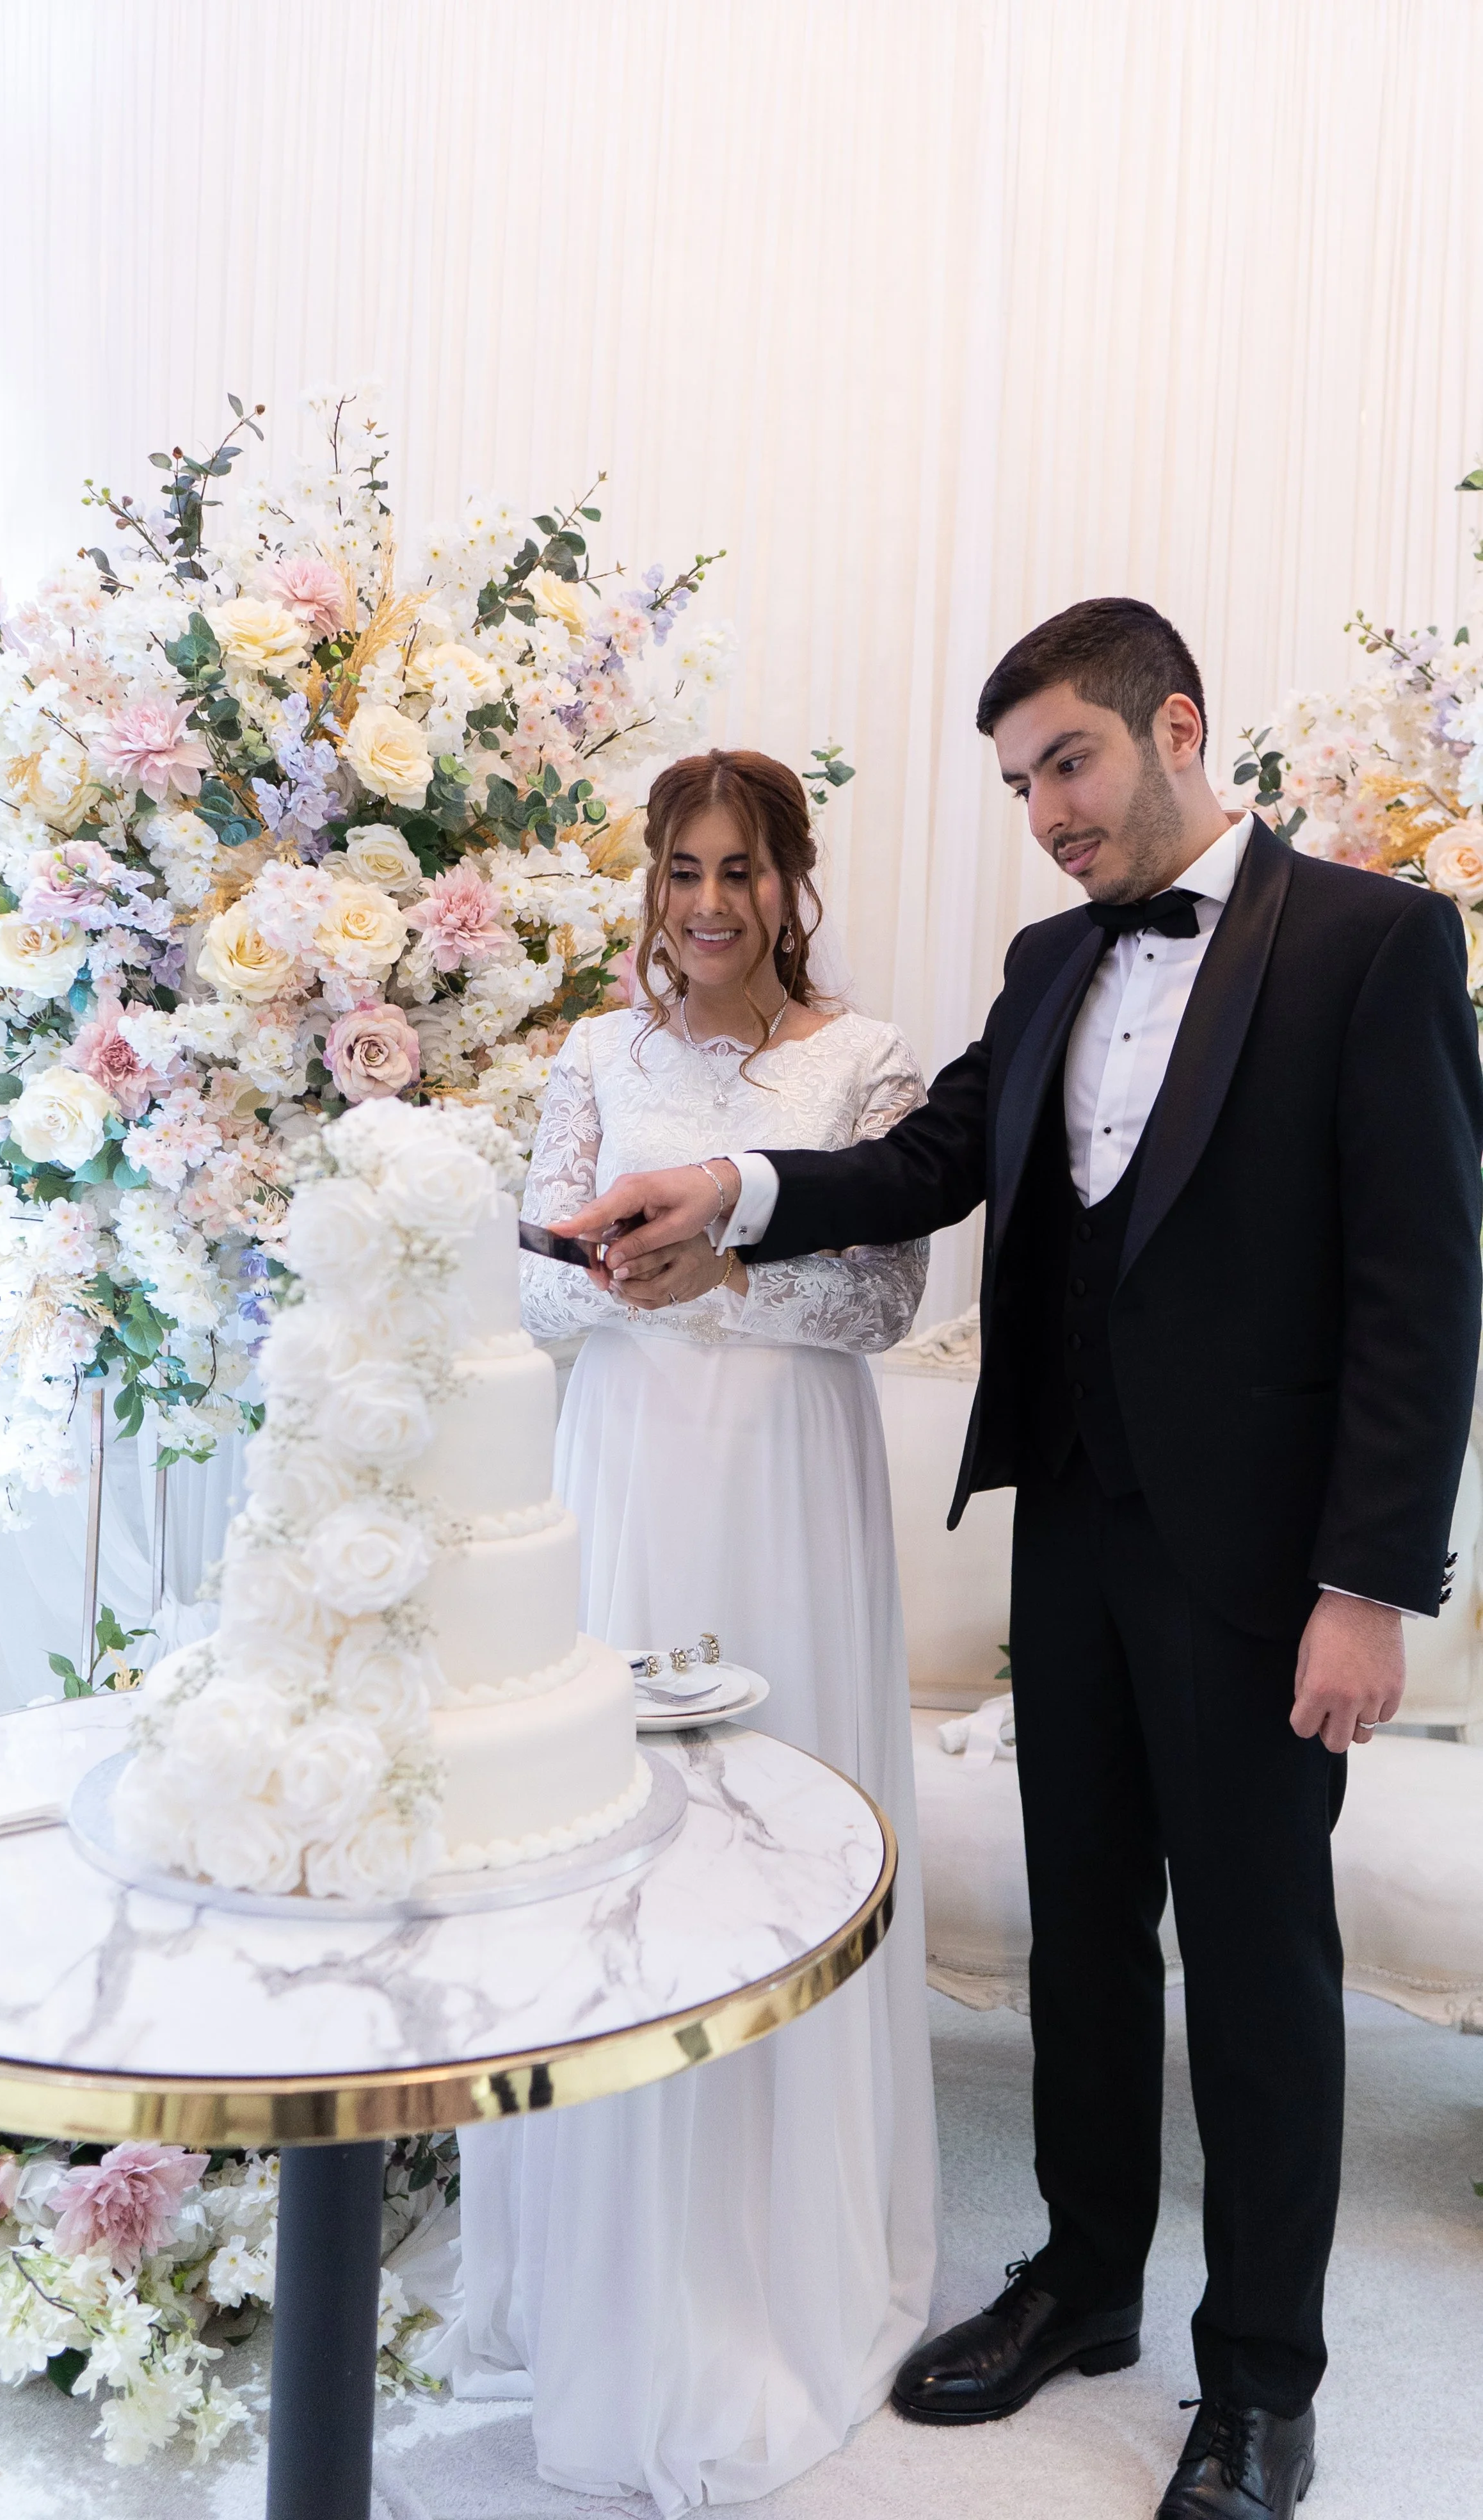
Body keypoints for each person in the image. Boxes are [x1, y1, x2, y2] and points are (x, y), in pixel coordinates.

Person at [556, 601, 1483, 2520]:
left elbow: (1421, 1290)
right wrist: (731, 1189)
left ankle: (1262, 2382)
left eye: (1065, 763)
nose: (1045, 813)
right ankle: (1079, 2279)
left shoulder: (1377, 944)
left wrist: (1366, 1587)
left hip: (1259, 1571)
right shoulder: (1047, 956)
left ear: (1173, 725)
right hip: (1067, 1527)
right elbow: (926, 1164)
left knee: (1251, 1970)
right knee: (1080, 1937)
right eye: (1016, 783)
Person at [429, 748, 939, 2512]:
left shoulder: (863, 1062)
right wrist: (589, 1263)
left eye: (739, 872)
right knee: (616, 1842)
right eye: (678, 872)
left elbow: (879, 1297)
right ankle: (594, 2258)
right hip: (626, 1470)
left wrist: (731, 1269)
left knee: (776, 1835)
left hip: (784, 1478)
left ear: (793, 882)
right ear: (646, 881)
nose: (707, 905)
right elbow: (520, 1282)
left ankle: (768, 2258)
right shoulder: (592, 1054)